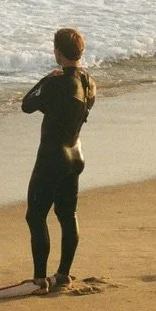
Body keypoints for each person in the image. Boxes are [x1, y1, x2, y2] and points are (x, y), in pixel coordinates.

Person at [21, 28, 97, 293]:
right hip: (75, 154)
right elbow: (79, 108)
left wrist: (44, 79)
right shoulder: (88, 80)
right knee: (67, 214)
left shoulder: (55, 82)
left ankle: (40, 279)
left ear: (58, 52)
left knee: (35, 216)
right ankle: (63, 274)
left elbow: (27, 104)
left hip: (52, 157)